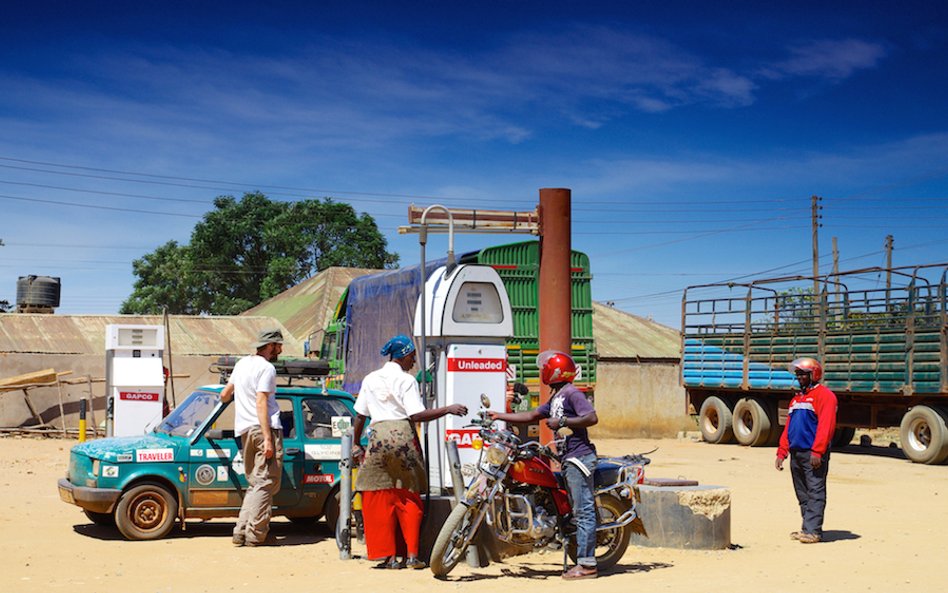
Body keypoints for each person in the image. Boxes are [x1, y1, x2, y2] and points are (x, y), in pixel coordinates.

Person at [351, 334, 467, 570]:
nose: (414, 363)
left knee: (378, 494)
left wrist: (355, 443)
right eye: (412, 357)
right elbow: (415, 415)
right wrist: (447, 409)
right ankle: (412, 555)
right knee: (409, 494)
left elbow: (361, 415)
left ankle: (388, 557)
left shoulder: (370, 379)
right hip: (403, 437)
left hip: (377, 439)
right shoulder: (407, 381)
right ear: (403, 356)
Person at [488, 350, 599, 580]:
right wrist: (499, 415)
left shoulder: (572, 393)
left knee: (583, 511)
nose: (543, 370)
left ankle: (587, 565)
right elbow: (532, 416)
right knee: (566, 505)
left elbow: (591, 417)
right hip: (567, 458)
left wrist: (564, 421)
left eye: (546, 367)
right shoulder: (557, 396)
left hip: (579, 458)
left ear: (556, 371)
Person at [220, 328, 284, 547]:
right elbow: (261, 402)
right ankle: (256, 535)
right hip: (262, 428)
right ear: (269, 346)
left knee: (256, 483)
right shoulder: (266, 368)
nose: (281, 349)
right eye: (278, 345)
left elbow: (224, 395)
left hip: (245, 430)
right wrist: (268, 438)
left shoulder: (241, 364)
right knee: (265, 483)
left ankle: (240, 532)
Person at [775, 357, 838, 544]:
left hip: (813, 454)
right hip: (796, 453)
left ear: (814, 374)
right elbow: (789, 427)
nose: (799, 377)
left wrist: (818, 452)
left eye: (803, 374)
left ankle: (814, 531)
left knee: (815, 491)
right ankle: (807, 528)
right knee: (802, 493)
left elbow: (826, 426)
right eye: (798, 374)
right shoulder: (797, 399)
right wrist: (781, 452)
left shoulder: (825, 396)